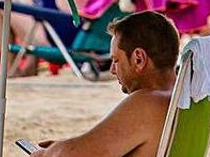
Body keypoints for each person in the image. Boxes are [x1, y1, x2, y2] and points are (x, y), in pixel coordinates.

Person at [31, 11, 179, 157]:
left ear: (138, 59)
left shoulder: (148, 103)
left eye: (116, 60)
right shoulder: (183, 98)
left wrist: (49, 153)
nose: (112, 70)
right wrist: (70, 146)